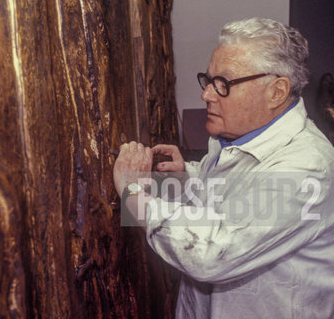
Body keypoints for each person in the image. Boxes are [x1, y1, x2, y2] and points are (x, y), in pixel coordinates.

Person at [113, 18, 334, 318]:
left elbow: (210, 252)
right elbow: (235, 197)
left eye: (224, 84)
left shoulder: (308, 166)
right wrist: (186, 180)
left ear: (277, 92)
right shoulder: (234, 137)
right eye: (209, 80)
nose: (206, 95)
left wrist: (132, 193)